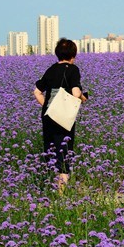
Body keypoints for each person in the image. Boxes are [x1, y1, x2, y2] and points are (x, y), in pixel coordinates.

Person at [33, 38, 87, 193]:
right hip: (63, 118)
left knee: (50, 150)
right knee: (63, 151)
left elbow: (37, 92)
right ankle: (61, 192)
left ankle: (48, 186)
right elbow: (76, 92)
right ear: (73, 55)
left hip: (48, 116)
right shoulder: (72, 69)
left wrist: (49, 107)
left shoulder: (50, 69)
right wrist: (83, 98)